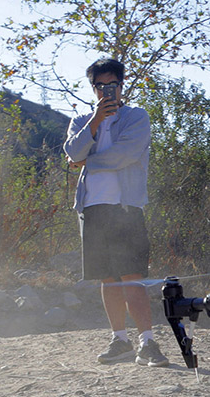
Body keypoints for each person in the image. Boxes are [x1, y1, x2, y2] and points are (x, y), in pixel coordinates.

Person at [64, 58, 169, 368]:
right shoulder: (82, 121)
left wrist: (88, 161)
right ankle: (119, 339)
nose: (106, 92)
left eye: (112, 85)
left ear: (122, 85)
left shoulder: (136, 117)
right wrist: (95, 122)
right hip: (92, 208)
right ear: (93, 88)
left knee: (132, 277)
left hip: (125, 208)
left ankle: (147, 341)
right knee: (107, 279)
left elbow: (126, 154)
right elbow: (72, 151)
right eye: (100, 86)